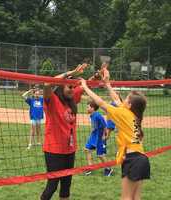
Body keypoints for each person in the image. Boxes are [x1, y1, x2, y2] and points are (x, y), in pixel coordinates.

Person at [80, 67, 150, 200]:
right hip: (142, 158)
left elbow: (100, 103)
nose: (122, 100)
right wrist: (107, 83)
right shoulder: (135, 115)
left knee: (126, 198)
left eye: (126, 99)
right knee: (136, 197)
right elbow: (117, 100)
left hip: (132, 159)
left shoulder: (123, 113)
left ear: (129, 105)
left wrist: (85, 87)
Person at [41, 63, 88, 200]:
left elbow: (87, 85)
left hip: (70, 150)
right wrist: (70, 73)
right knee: (52, 185)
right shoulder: (52, 101)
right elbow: (47, 84)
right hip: (54, 150)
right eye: (69, 86)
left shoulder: (71, 100)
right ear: (61, 87)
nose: (72, 89)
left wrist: (98, 75)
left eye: (73, 87)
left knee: (66, 185)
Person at [84, 100, 113, 176]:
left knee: (100, 155)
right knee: (87, 150)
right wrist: (92, 131)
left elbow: (104, 126)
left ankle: (108, 168)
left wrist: (104, 135)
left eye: (88, 107)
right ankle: (90, 168)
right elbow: (94, 125)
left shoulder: (98, 115)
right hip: (94, 136)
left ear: (92, 108)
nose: (86, 109)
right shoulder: (92, 115)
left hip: (99, 137)